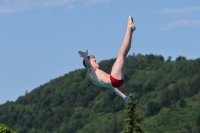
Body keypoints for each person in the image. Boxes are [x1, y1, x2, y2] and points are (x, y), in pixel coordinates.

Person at [78, 15, 136, 103]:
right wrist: (86, 57)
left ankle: (130, 29)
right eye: (95, 61)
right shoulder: (91, 71)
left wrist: (124, 97)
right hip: (114, 79)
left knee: (123, 54)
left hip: (117, 82)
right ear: (90, 63)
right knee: (121, 53)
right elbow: (89, 65)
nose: (97, 62)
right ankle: (129, 29)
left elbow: (111, 87)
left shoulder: (95, 77)